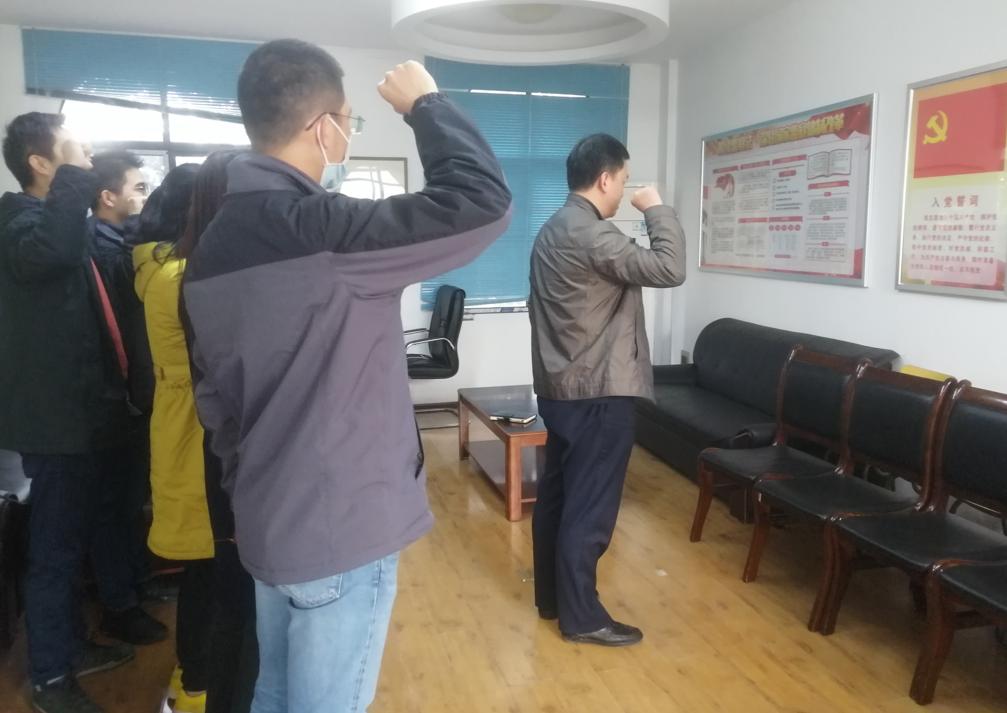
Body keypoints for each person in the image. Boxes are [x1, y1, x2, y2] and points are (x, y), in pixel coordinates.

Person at [183, 40, 511, 713]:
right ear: (322, 127)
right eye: (350, 122)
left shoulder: (210, 250)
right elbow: (482, 203)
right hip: (337, 530)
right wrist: (426, 104)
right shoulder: (325, 231)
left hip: (267, 521)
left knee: (273, 693)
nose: (349, 135)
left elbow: (217, 404)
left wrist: (247, 494)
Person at [0, 112, 142, 713]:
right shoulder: (17, 221)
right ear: (41, 163)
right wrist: (76, 181)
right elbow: (52, 252)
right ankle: (50, 679)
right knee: (55, 551)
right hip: (54, 421)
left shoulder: (54, 222)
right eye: (75, 150)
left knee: (75, 538)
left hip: (82, 411)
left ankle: (71, 647)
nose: (87, 157)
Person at [528, 133, 686, 647]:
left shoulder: (553, 228)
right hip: (598, 391)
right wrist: (656, 209)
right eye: (623, 180)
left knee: (558, 497)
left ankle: (553, 600)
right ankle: (582, 617)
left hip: (561, 389)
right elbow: (670, 267)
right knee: (589, 507)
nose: (624, 190)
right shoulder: (593, 234)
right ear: (604, 179)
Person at [178, 149, 259, 713]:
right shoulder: (215, 278)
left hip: (223, 451)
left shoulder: (199, 268)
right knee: (241, 606)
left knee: (235, 601)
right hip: (234, 456)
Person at [133, 163, 214, 713]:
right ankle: (196, 682)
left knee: (208, 566)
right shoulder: (180, 276)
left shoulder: (161, 266)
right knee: (209, 568)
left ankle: (198, 675)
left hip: (184, 417)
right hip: (194, 424)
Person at [88, 150, 159, 620]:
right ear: (108, 197)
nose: (144, 197)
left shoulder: (119, 244)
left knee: (129, 498)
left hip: (126, 395)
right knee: (115, 503)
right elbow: (124, 332)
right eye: (138, 188)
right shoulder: (103, 252)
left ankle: (134, 584)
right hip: (115, 397)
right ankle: (120, 601)